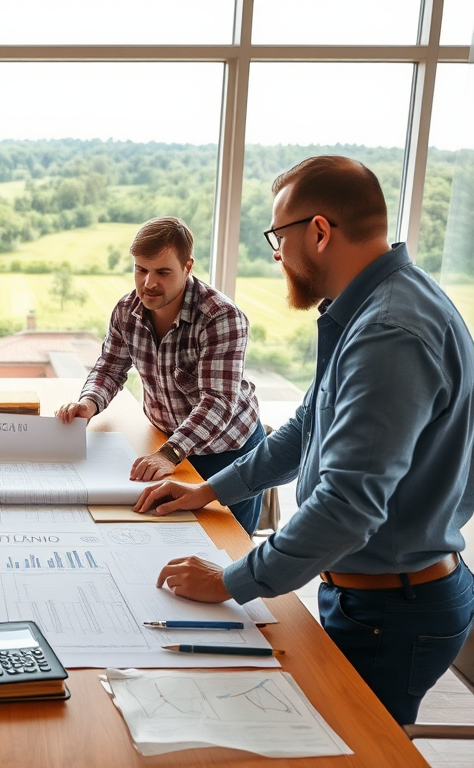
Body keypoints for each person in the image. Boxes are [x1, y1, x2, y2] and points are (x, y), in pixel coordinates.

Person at [139, 156, 474, 725]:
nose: (276, 254)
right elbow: (304, 430)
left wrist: (230, 579)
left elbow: (346, 507)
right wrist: (208, 490)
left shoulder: (388, 331)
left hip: (392, 611)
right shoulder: (373, 307)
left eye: (278, 236)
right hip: (370, 595)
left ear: (318, 232)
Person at [56, 216, 265, 533]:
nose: (148, 283)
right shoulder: (126, 311)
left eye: (163, 272)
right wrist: (89, 403)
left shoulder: (221, 317)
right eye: (141, 270)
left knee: (226, 550)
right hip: (167, 442)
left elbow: (218, 402)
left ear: (188, 267)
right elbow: (110, 367)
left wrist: (170, 453)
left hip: (227, 451)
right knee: (168, 538)